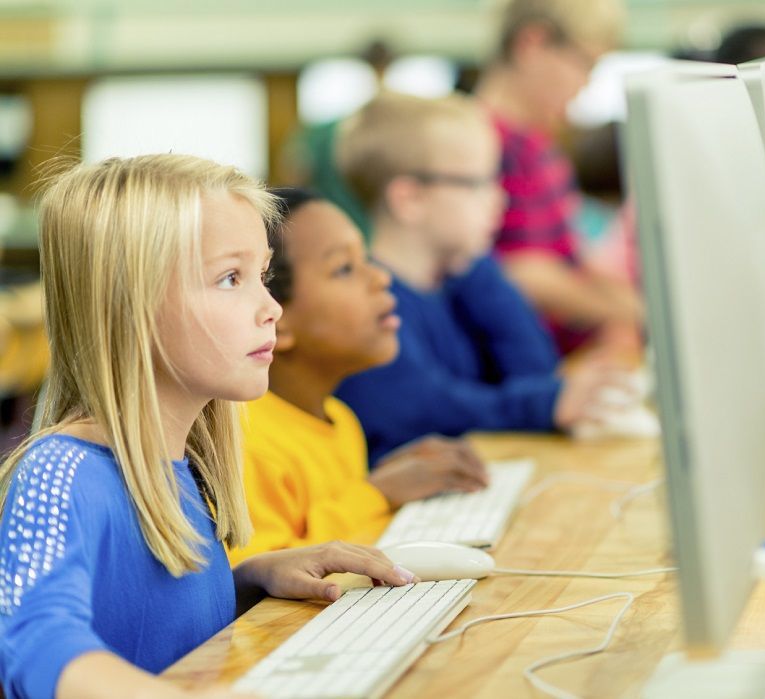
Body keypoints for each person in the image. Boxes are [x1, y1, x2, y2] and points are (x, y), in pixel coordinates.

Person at [0, 154, 415, 699]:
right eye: (229, 278)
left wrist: (249, 578)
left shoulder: (186, 467)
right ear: (133, 306)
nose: (270, 307)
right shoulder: (60, 471)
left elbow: (144, 625)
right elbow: (30, 643)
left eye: (263, 276)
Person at [333, 93, 628, 463]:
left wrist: (479, 268)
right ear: (409, 199)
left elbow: (535, 368)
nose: (499, 199)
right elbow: (423, 411)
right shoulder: (366, 305)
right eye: (479, 183)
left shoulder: (459, 282)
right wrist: (546, 402)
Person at [231, 187, 489, 561]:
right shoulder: (247, 442)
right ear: (274, 316)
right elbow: (262, 582)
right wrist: (378, 493)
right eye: (345, 268)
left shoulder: (341, 419)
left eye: (366, 259)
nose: (381, 278)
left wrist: (390, 481)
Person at [475, 0, 644, 356]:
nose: (585, 85)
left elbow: (569, 260)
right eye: (586, 64)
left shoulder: (539, 147)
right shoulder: (479, 142)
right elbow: (519, 271)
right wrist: (637, 311)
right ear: (532, 44)